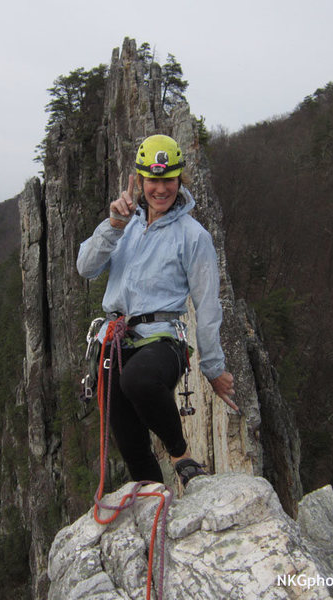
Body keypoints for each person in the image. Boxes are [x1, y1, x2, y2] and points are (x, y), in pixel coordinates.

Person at [76, 134, 237, 487]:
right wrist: (113, 226)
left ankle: (180, 454)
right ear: (140, 181)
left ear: (180, 180)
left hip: (162, 341)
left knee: (138, 380)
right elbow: (85, 268)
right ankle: (154, 505)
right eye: (153, 179)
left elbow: (208, 307)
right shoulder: (124, 225)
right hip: (114, 342)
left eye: (168, 179)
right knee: (130, 443)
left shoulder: (193, 236)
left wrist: (213, 367)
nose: (160, 189)